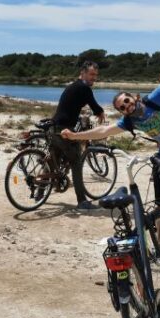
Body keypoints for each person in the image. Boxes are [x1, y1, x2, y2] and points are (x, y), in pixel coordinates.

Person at [62, 34, 160, 270]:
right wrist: (76, 136)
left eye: (127, 101)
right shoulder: (130, 122)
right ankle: (159, 249)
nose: (127, 106)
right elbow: (103, 131)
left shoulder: (157, 98)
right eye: (122, 107)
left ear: (135, 97)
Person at [50, 61, 106, 210]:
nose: (94, 77)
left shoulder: (73, 86)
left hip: (53, 127)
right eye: (91, 74)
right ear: (83, 73)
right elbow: (94, 105)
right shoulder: (84, 88)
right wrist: (100, 112)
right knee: (76, 162)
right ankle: (82, 201)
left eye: (95, 75)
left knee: (52, 159)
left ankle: (40, 192)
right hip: (65, 130)